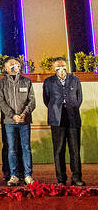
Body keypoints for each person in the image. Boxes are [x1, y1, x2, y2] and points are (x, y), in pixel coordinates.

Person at [43, 57, 84, 186]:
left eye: (63, 66)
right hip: (57, 119)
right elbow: (46, 100)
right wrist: (56, 109)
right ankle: (61, 179)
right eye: (58, 66)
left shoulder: (75, 80)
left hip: (73, 118)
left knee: (75, 150)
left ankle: (76, 177)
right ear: (53, 68)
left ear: (67, 66)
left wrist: (71, 107)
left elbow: (79, 98)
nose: (61, 68)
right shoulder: (48, 81)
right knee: (59, 150)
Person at [0, 56, 35, 186]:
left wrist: (24, 114)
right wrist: (13, 115)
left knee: (26, 148)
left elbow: (32, 101)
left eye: (17, 64)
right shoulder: (1, 83)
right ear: (6, 68)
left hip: (24, 121)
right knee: (11, 148)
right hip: (9, 122)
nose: (15, 66)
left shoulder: (26, 81)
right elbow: (1, 101)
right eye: (11, 64)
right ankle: (13, 175)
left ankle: (28, 175)